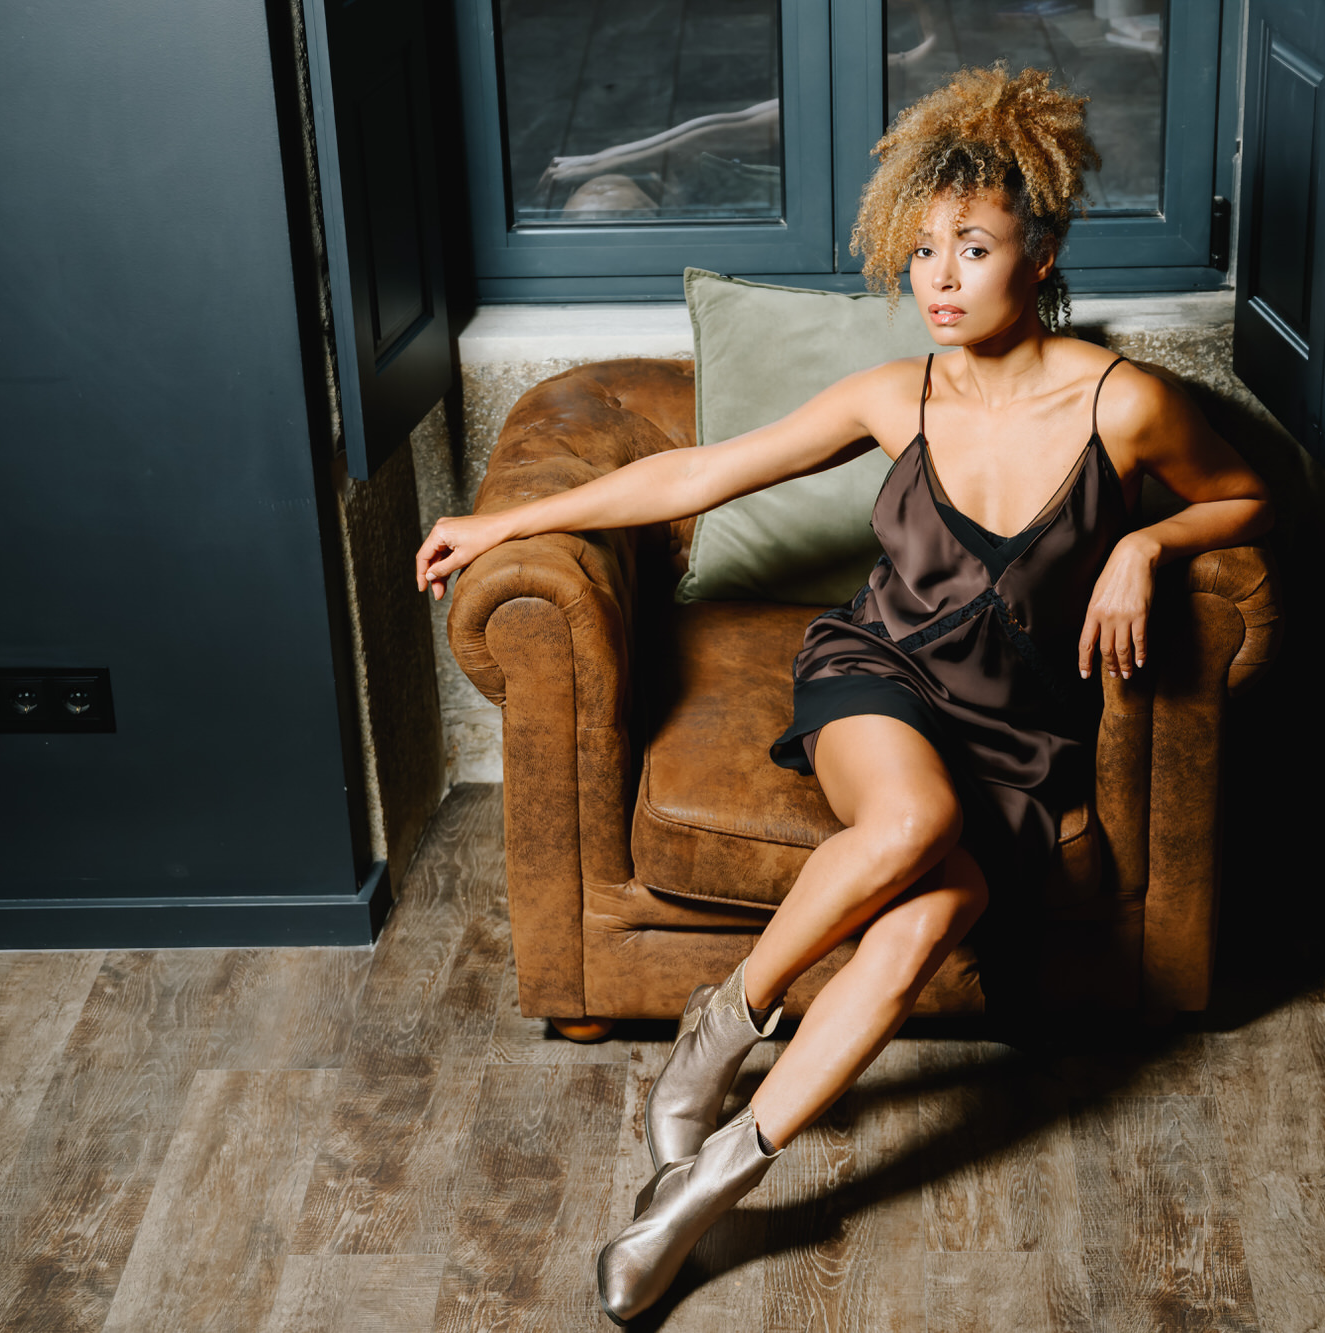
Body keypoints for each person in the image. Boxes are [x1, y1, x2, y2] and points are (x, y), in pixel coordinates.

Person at [413, 63, 1273, 1325]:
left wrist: (1146, 544)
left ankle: (703, 1188)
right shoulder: (894, 396)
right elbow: (693, 474)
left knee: (932, 917)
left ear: (1037, 253)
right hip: (878, 674)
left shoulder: (1121, 405)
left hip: (1020, 733)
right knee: (914, 831)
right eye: (920, 248)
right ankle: (725, 1023)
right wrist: (502, 523)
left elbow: (1246, 497)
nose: (937, 276)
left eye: (969, 246)